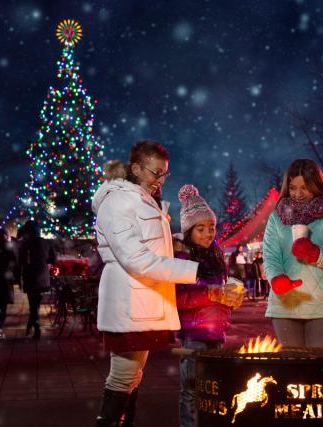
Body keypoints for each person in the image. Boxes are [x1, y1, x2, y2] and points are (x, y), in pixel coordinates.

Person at [92, 142, 203, 427]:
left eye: (165, 174)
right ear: (136, 168)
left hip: (142, 300)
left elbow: (151, 249)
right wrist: (191, 270)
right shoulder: (118, 200)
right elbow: (135, 258)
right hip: (129, 300)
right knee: (123, 374)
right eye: (156, 173)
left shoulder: (141, 198)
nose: (161, 180)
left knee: (132, 375)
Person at [262, 159, 323, 348]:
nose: (297, 194)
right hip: (286, 304)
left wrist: (317, 254)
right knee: (292, 371)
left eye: (304, 188)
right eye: (292, 188)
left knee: (319, 370)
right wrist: (276, 278)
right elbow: (271, 256)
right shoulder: (276, 218)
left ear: (316, 185)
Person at [175, 184, 244, 427]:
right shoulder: (182, 258)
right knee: (192, 390)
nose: (208, 233)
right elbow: (179, 298)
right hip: (194, 336)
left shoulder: (216, 256)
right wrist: (212, 293)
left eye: (211, 227)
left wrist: (231, 298)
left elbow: (221, 296)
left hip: (217, 334)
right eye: (200, 229)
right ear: (188, 231)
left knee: (215, 389)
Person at [16, 219, 57, 340]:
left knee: (33, 305)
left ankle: (35, 328)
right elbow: (53, 259)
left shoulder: (25, 244)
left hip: (30, 277)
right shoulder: (45, 242)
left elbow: (20, 263)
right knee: (35, 304)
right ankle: (32, 324)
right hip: (42, 277)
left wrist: (19, 278)